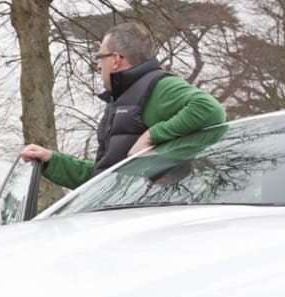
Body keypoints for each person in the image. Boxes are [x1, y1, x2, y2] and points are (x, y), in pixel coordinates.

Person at [20, 21, 226, 190]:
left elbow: (210, 110)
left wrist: (152, 136)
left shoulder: (158, 87)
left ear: (116, 59)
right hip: (114, 214)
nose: (98, 65)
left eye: (101, 57)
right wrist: (52, 161)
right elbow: (107, 177)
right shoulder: (123, 99)